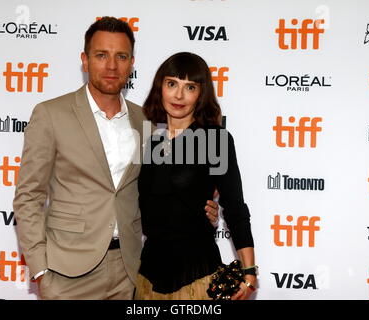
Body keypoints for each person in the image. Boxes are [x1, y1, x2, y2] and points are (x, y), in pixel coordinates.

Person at [13, 18, 218, 300]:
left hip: (129, 270)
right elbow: (28, 195)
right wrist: (40, 270)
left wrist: (201, 208)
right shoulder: (50, 114)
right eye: (101, 55)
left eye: (121, 56)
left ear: (131, 63)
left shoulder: (145, 120)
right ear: (85, 61)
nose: (112, 66)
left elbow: (163, 186)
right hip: (67, 273)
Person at [135, 52, 256, 300]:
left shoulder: (216, 140)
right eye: (172, 84)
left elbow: (235, 207)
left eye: (189, 87)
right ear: (160, 88)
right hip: (146, 278)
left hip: (197, 280)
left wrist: (249, 271)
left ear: (201, 94)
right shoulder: (149, 139)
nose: (179, 95)